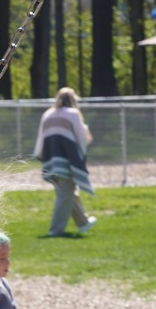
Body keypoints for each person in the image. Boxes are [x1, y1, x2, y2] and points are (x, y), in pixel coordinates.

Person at [33, 87, 96, 237]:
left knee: (67, 191)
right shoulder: (73, 114)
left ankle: (83, 222)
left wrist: (41, 156)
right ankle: (55, 230)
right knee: (64, 195)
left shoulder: (48, 114)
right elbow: (81, 137)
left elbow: (41, 138)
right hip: (67, 160)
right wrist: (80, 156)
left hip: (50, 159)